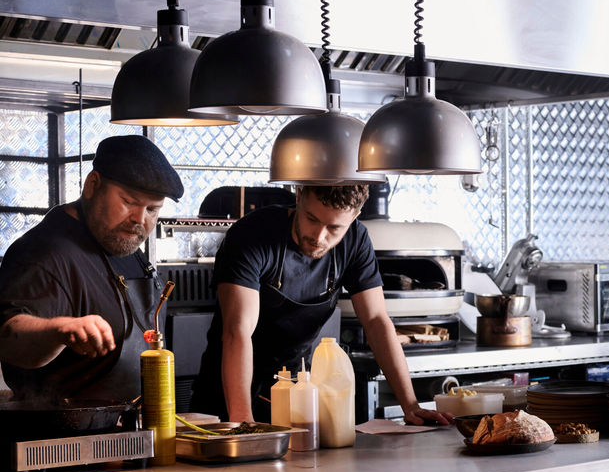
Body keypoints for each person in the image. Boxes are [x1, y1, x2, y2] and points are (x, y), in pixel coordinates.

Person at [190, 184, 449, 426]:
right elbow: (237, 331)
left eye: (334, 228)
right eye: (312, 219)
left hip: (292, 392)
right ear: (299, 196)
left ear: (355, 215)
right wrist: (242, 423)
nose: (319, 236)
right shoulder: (253, 235)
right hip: (226, 399)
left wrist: (410, 405)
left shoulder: (356, 240)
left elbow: (376, 321)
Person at [0, 135, 183, 402]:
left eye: (152, 209)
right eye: (129, 202)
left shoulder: (120, 240)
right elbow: (8, 335)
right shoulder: (44, 252)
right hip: (60, 436)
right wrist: (59, 330)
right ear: (92, 184)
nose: (139, 219)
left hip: (126, 429)